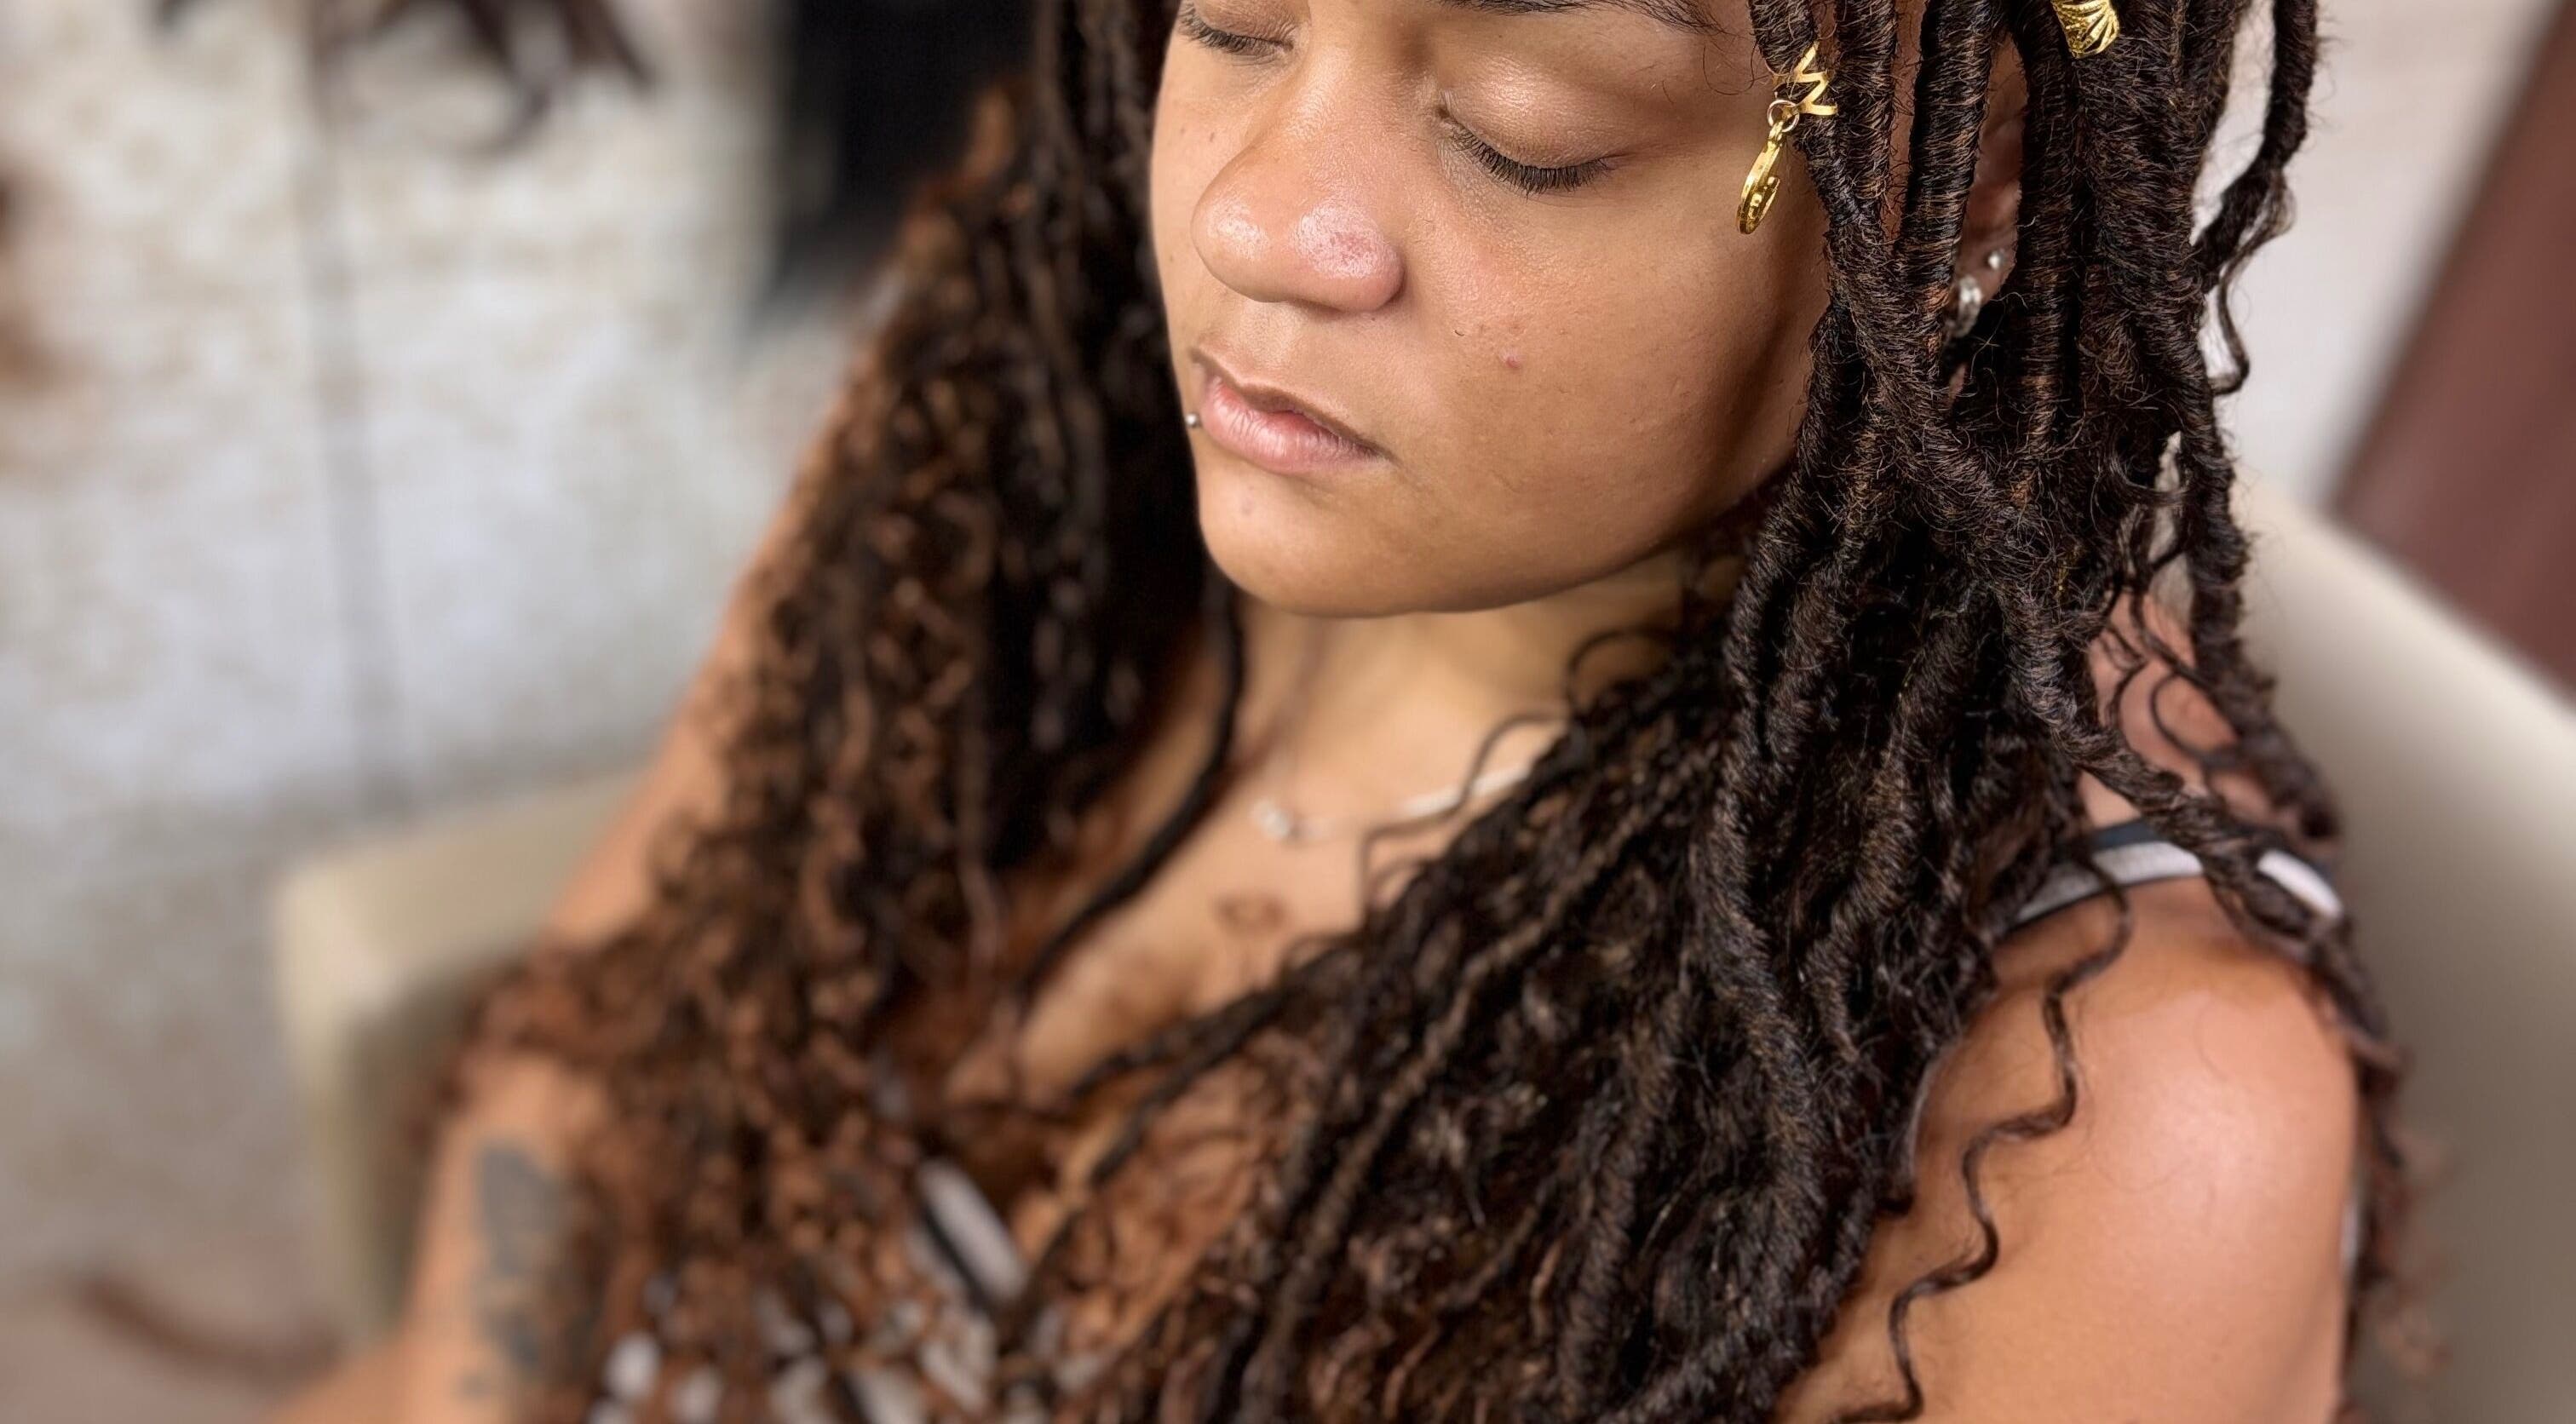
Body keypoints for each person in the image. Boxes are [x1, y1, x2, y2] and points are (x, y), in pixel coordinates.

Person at [274, 0, 2409, 1418]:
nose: (1250, 222)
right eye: (1238, 23)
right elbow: (572, 1122)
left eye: (1520, 139)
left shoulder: (2098, 1117)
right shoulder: (1037, 432)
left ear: (1971, 174)